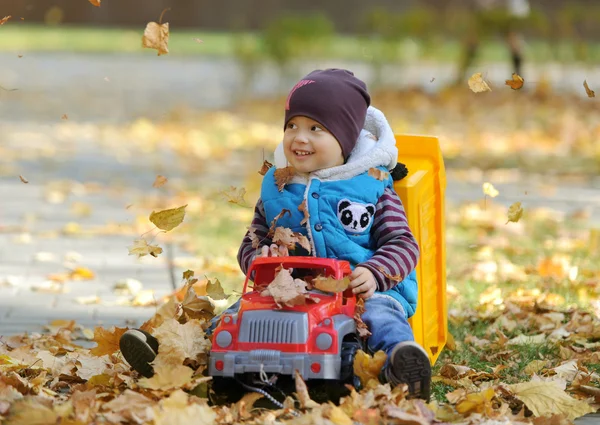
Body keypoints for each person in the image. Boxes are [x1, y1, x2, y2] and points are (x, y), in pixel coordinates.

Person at [119, 69, 431, 400]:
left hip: (358, 293)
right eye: (292, 126)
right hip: (284, 291)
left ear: (347, 138)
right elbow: (253, 238)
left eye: (316, 129)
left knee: (381, 318)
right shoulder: (278, 185)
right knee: (231, 319)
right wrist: (261, 257)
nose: (299, 137)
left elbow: (403, 243)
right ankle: (172, 357)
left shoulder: (370, 185)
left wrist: (375, 272)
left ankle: (402, 366)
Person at [455, 0, 530, 85]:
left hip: (507, 10)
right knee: (472, 41)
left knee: (514, 42)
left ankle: (518, 81)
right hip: (487, 9)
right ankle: (459, 78)